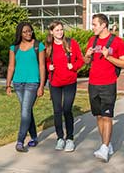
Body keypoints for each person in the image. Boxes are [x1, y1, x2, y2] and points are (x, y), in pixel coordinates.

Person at [83, 13, 124, 162]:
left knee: (107, 116)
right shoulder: (92, 40)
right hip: (93, 84)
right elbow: (86, 61)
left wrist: (108, 56)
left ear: (103, 25)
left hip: (108, 84)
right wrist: (88, 55)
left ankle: (104, 147)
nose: (92, 27)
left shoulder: (117, 42)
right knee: (99, 116)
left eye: (95, 24)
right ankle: (106, 144)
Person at [6, 21, 46, 152]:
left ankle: (20, 141)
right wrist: (8, 84)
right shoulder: (14, 47)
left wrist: (41, 85)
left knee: (24, 111)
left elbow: (42, 66)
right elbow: (11, 66)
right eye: (25, 32)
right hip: (18, 83)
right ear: (20, 33)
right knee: (27, 111)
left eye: (30, 31)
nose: (28, 33)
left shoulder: (38, 46)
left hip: (32, 83)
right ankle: (34, 137)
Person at [45, 20, 84, 152]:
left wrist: (74, 66)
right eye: (57, 30)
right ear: (51, 32)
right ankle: (60, 138)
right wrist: (48, 66)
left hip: (69, 82)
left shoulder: (71, 43)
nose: (60, 32)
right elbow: (44, 62)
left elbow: (81, 60)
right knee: (57, 111)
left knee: (67, 109)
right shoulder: (48, 46)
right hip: (55, 83)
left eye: (61, 29)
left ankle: (70, 139)